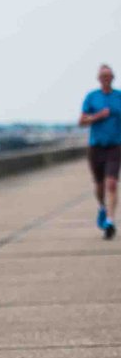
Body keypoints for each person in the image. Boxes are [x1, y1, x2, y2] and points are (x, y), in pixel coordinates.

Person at [79, 64, 121, 240]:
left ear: (113, 78)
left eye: (109, 75)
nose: (106, 78)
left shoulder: (119, 97)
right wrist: (97, 116)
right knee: (99, 185)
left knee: (111, 183)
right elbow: (81, 121)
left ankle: (110, 222)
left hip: (115, 146)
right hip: (96, 147)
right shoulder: (91, 97)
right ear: (99, 78)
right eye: (103, 76)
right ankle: (102, 207)